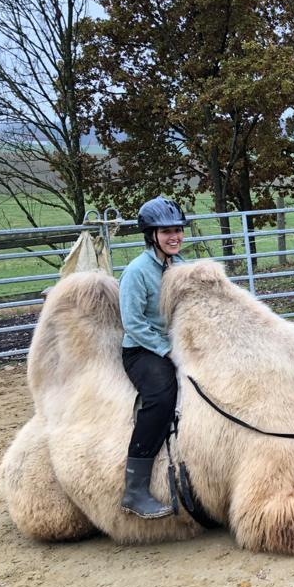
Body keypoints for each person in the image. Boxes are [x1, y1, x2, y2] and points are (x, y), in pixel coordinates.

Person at [118, 196, 190, 518]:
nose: (174, 236)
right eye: (166, 232)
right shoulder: (136, 272)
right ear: (152, 236)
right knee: (162, 396)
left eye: (177, 230)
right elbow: (132, 323)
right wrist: (168, 351)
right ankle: (135, 490)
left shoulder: (184, 268)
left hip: (176, 343)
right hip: (143, 349)